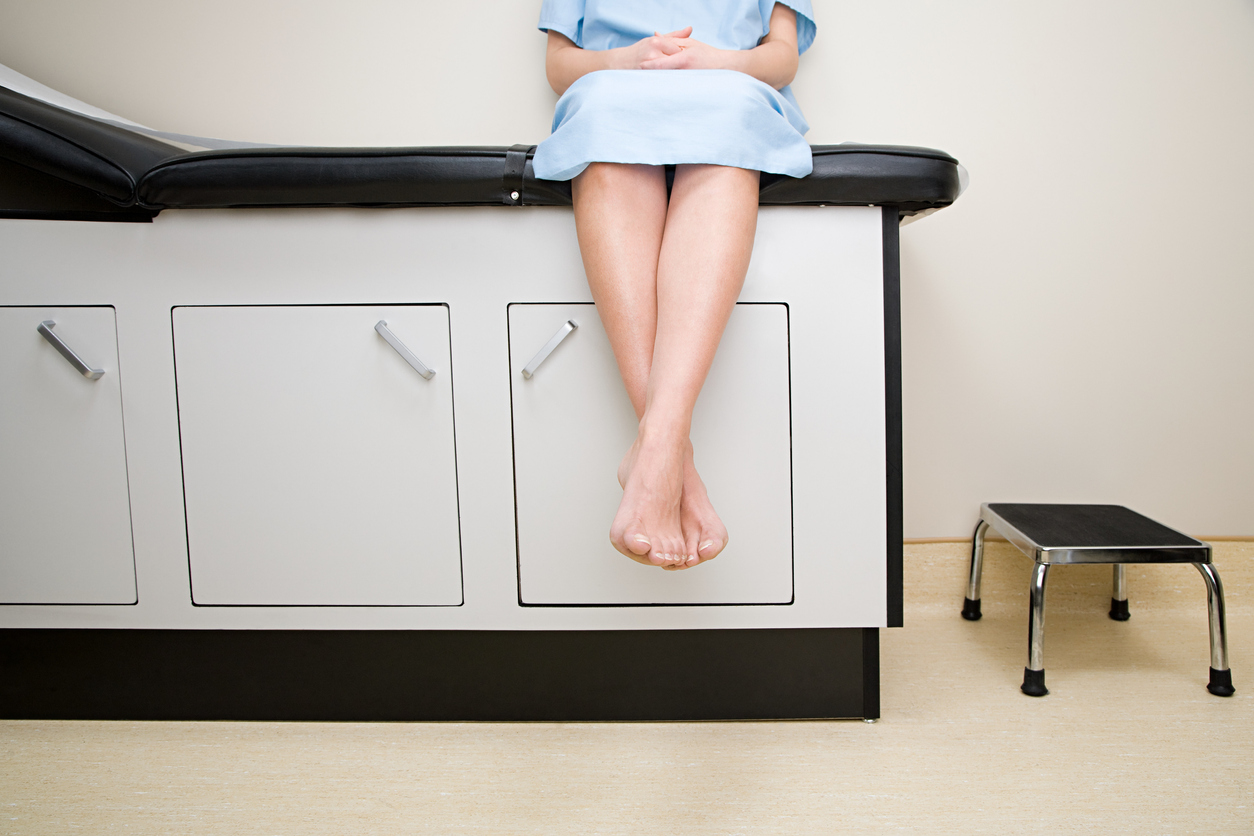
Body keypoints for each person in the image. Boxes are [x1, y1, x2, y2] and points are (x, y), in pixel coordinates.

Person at [533, 0, 816, 571]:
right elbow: (560, 64)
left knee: (731, 108)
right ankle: (673, 463)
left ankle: (655, 449)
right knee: (604, 107)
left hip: (730, 87)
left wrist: (717, 60)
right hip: (615, 88)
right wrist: (625, 59)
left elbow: (782, 58)